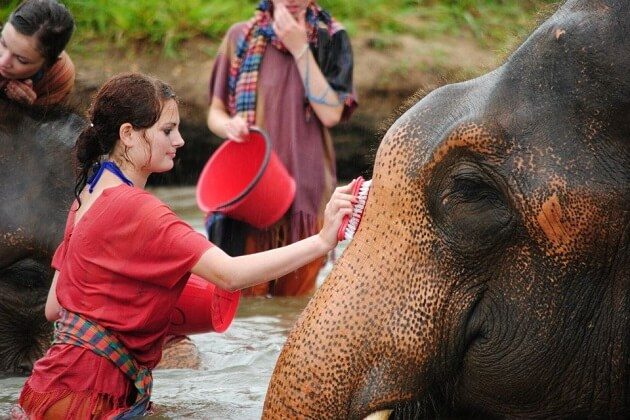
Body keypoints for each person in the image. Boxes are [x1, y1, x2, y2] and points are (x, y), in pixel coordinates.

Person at [12, 72, 356, 419]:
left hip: (48, 390)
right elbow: (230, 275)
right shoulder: (139, 209)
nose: (179, 141)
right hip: (89, 398)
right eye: (166, 130)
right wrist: (322, 239)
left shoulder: (86, 196)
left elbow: (56, 307)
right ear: (128, 134)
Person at [207, 0, 357, 296]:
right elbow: (215, 112)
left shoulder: (333, 38)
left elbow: (331, 114)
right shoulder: (240, 37)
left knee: (293, 306)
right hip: (250, 194)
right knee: (244, 300)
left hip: (308, 199)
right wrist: (229, 125)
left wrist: (301, 49)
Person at [0, 0, 75, 106]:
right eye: (3, 43)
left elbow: (51, 120)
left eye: (21, 60)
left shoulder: (58, 76)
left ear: (48, 64)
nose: (2, 62)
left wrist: (25, 110)